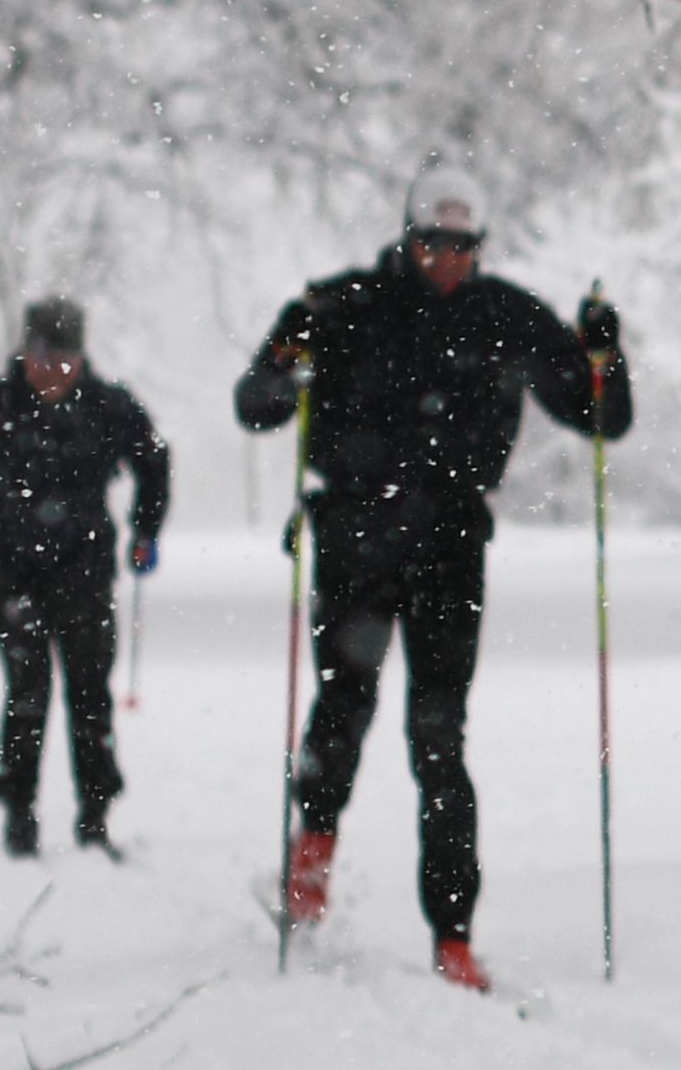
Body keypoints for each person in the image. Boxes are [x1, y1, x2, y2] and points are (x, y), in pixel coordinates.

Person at [229, 178, 627, 991]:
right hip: (354, 537)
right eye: (433, 246)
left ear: (481, 246)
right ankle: (310, 864)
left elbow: (600, 416)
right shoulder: (344, 304)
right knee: (344, 706)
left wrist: (602, 353)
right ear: (405, 239)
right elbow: (257, 406)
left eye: (463, 248)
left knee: (439, 739)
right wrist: (286, 352)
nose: (448, 262)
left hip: (449, 544)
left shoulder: (506, 315)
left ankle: (453, 937)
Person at [0, 301, 171, 859]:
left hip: (86, 572)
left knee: (90, 696)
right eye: (39, 355)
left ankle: (95, 818)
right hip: (13, 572)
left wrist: (146, 530)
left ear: (80, 357)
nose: (49, 368)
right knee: (27, 692)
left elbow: (154, 461)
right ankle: (19, 815)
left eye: (62, 357)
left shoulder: (109, 407)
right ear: (23, 351)